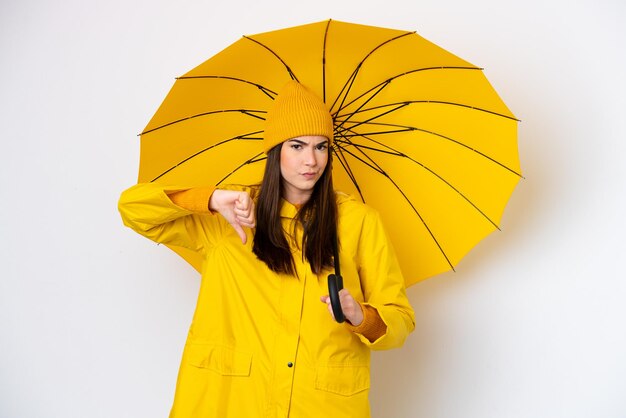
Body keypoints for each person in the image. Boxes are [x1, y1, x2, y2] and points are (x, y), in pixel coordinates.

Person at [118, 81, 415, 418]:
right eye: (298, 145)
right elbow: (133, 209)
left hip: (321, 405)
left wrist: (361, 316)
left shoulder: (359, 222)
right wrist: (211, 200)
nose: (311, 160)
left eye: (321, 147)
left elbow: (401, 319)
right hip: (230, 401)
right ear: (276, 150)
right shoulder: (230, 214)